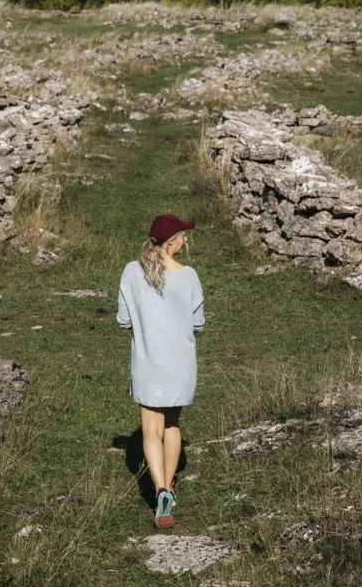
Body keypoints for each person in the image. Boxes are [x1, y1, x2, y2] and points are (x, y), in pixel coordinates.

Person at [117, 213, 205, 529]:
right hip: (180, 363)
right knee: (172, 425)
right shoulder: (189, 276)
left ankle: (160, 491)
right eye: (182, 235)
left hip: (148, 362)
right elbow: (198, 324)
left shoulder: (132, 272)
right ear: (170, 242)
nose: (186, 239)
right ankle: (168, 485)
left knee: (150, 430)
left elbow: (123, 321)